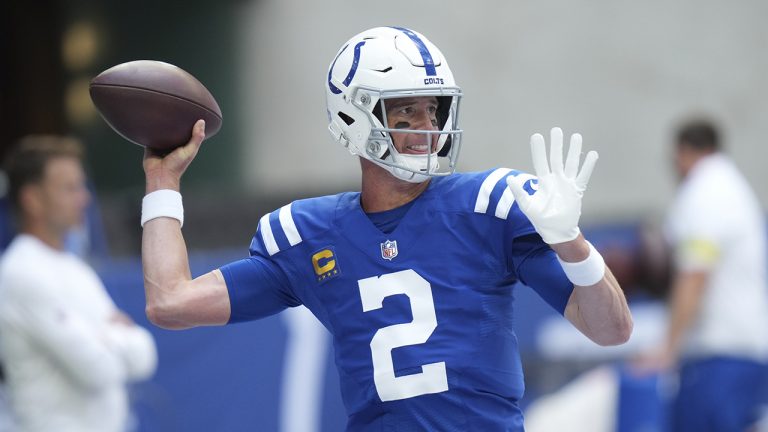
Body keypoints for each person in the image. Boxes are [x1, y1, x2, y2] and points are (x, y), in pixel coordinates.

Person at [139, 27, 632, 430]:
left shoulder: (488, 208)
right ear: (353, 116)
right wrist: (162, 182)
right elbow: (171, 303)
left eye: (432, 109)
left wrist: (572, 242)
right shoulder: (309, 235)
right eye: (405, 111)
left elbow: (611, 330)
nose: (427, 127)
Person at [0, 135, 158, 432]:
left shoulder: (76, 269)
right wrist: (115, 331)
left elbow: (146, 356)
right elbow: (99, 369)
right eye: (70, 188)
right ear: (32, 199)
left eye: (81, 186)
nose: (84, 198)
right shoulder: (21, 272)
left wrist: (101, 337)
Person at [653, 119, 768, 431]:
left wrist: (667, 348)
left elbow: (694, 274)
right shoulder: (731, 187)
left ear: (685, 152)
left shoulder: (704, 193)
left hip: (719, 354)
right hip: (746, 349)